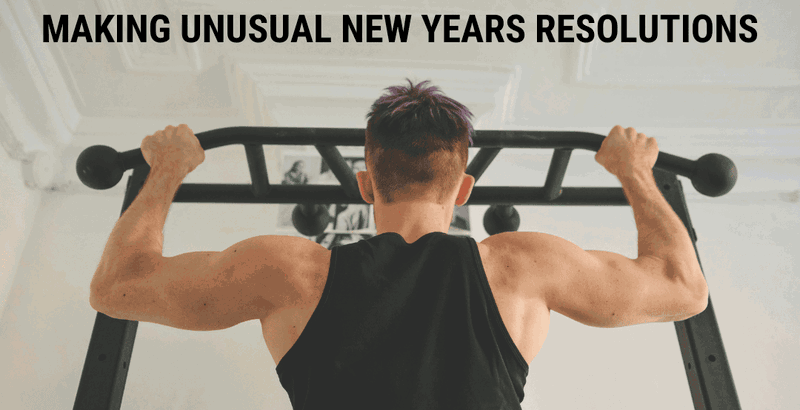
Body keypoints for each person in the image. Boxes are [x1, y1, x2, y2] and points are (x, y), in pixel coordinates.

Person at [88, 80, 709, 409]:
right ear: (464, 188)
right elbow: (683, 290)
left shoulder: (286, 270)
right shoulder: (522, 265)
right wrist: (636, 173)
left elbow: (116, 290)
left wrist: (165, 170)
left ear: (364, 183)